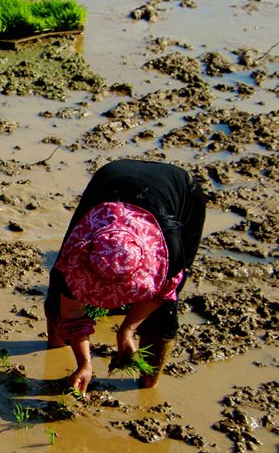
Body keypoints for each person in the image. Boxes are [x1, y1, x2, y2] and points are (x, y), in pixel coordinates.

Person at [44, 159, 206, 394]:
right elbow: (71, 310)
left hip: (178, 189)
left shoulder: (167, 254)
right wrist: (84, 364)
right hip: (110, 181)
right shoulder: (77, 249)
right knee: (59, 288)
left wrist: (127, 329)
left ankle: (149, 383)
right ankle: (56, 347)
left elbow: (164, 293)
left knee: (163, 314)